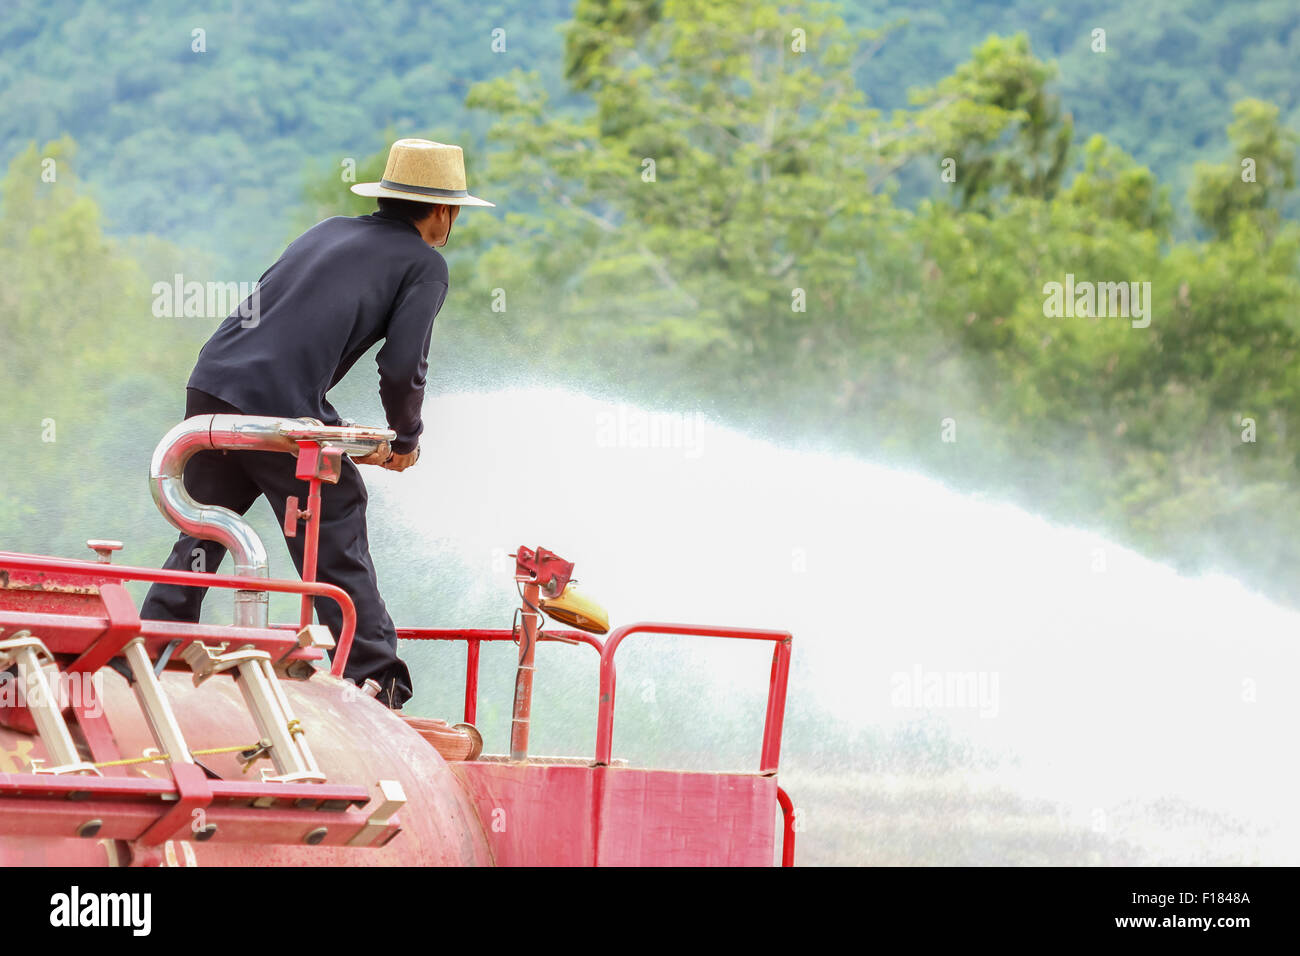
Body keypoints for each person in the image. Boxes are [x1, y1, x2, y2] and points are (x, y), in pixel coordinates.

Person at [139, 139, 494, 709]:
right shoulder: (424, 264)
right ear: (444, 211)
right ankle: (376, 679)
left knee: (209, 522)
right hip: (276, 400)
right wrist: (404, 439)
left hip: (214, 380)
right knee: (337, 505)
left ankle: (155, 643)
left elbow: (271, 309)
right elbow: (403, 366)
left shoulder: (327, 230)